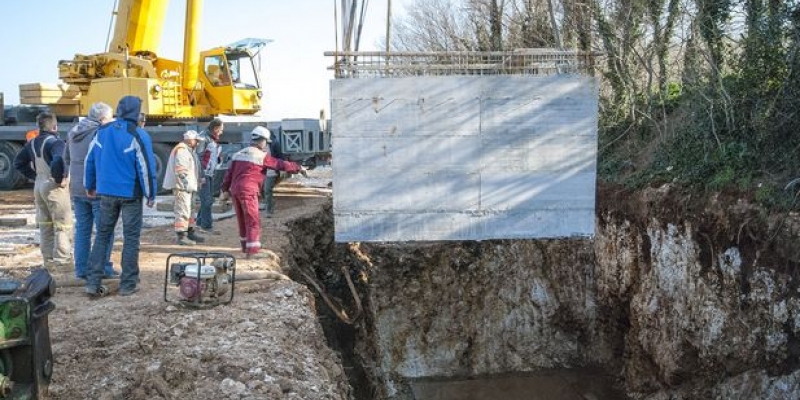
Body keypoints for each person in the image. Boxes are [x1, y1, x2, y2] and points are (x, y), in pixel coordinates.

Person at [83, 96, 157, 297]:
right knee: (131, 238)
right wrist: (150, 193)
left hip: (106, 192)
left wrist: (89, 185)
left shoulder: (103, 132)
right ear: (136, 111)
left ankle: (92, 282)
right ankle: (128, 284)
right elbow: (146, 167)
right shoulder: (138, 134)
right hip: (130, 194)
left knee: (103, 235)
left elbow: (89, 160)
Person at [220, 126, 306, 259]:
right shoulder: (261, 156)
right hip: (249, 190)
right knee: (253, 220)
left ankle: (245, 248)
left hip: (235, 190)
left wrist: (225, 189)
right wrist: (298, 168)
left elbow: (228, 174)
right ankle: (253, 251)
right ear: (262, 141)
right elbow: (280, 164)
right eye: (266, 142)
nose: (266, 145)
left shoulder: (238, 154)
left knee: (242, 220)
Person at [63, 102, 119, 280]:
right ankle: (102, 268)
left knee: (83, 231)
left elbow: (66, 158)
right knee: (105, 231)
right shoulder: (101, 133)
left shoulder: (73, 132)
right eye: (110, 118)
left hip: (78, 189)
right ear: (102, 119)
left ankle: (81, 270)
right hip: (97, 189)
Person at [13, 112, 72, 272]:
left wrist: (35, 176)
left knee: (45, 225)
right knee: (62, 224)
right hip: (53, 186)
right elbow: (58, 161)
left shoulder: (31, 144)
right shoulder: (56, 143)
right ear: (55, 126)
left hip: (38, 185)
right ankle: (63, 262)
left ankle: (48, 262)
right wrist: (60, 178)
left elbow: (18, 162)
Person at [163, 130, 206, 245]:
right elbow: (181, 170)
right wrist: (185, 184)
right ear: (190, 140)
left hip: (188, 187)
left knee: (190, 211)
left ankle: (190, 232)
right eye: (196, 141)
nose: (197, 143)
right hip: (182, 187)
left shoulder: (188, 151)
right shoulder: (182, 150)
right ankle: (182, 236)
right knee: (182, 210)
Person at [195, 118, 224, 232]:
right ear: (215, 129)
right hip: (204, 174)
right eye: (221, 130)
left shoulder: (211, 139)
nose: (222, 132)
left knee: (208, 199)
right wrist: (201, 176)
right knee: (206, 200)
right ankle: (206, 226)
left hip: (209, 173)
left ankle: (200, 222)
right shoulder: (204, 139)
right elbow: (199, 158)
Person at [260, 132, 284, 217]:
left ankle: (269, 211)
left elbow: (280, 157)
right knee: (261, 189)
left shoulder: (274, 143)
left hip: (271, 170)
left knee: (267, 190)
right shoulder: (256, 145)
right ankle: (270, 202)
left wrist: (281, 169)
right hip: (261, 171)